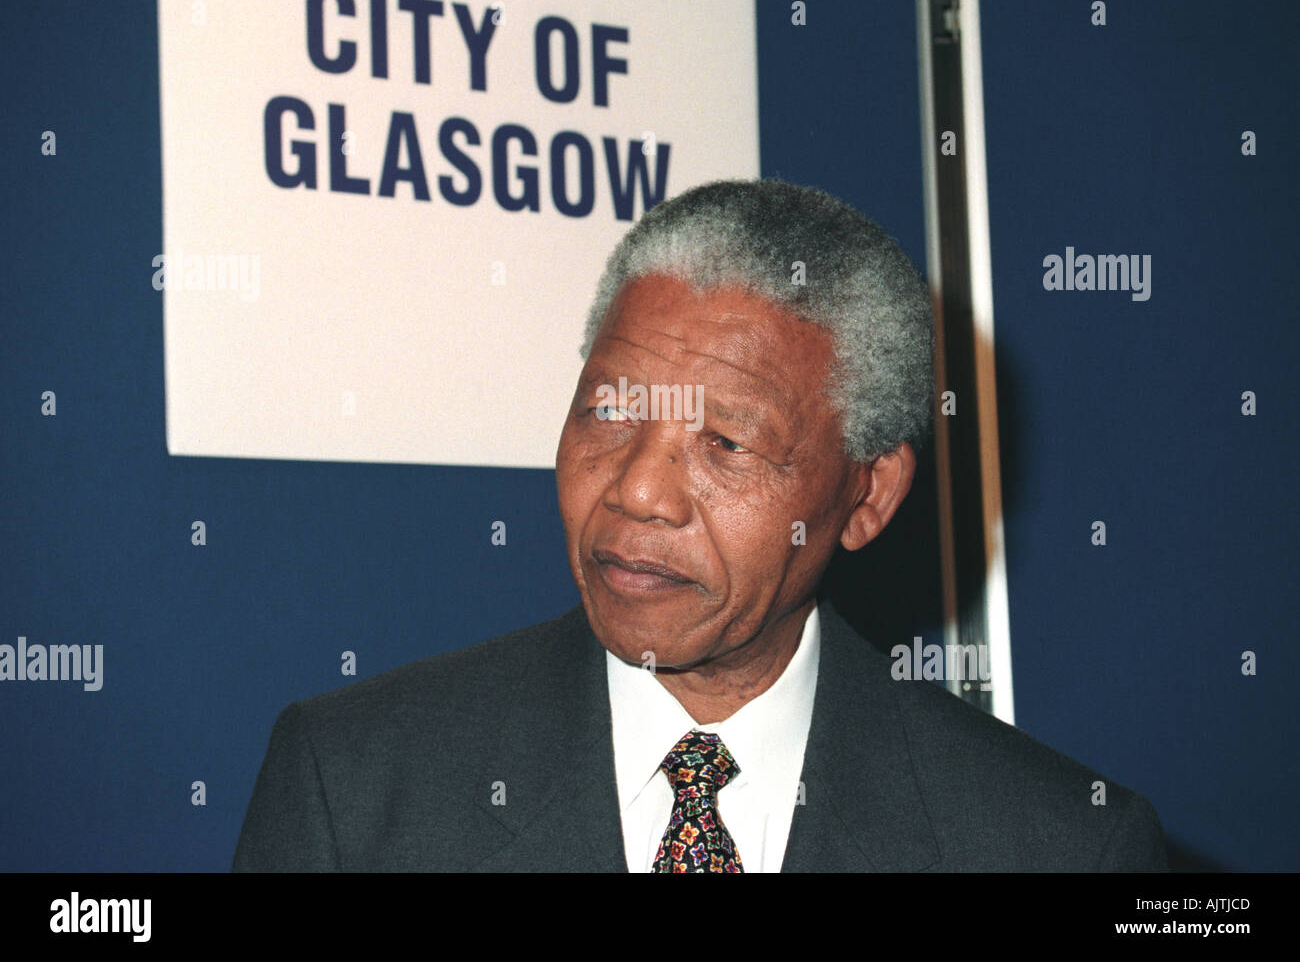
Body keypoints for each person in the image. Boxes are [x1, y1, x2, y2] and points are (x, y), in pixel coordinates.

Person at [232, 179, 1167, 872]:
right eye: (607, 412)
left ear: (869, 495)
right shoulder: (352, 790)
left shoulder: (1061, 847)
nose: (639, 491)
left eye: (724, 442)